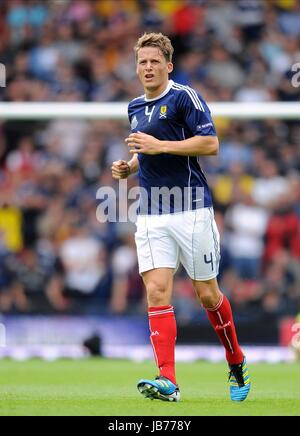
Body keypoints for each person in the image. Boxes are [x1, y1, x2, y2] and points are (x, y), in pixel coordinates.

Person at [111, 32, 251, 403]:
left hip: (191, 208)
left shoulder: (184, 97)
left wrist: (161, 146)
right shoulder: (134, 107)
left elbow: (211, 143)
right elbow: (146, 149)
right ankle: (168, 380)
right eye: (142, 62)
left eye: (155, 61)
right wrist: (131, 167)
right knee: (156, 291)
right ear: (136, 67)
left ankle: (235, 359)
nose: (148, 67)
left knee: (207, 294)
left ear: (168, 66)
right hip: (152, 212)